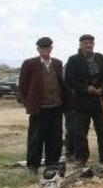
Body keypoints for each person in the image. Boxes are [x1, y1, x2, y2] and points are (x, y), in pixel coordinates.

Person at [18, 37, 69, 175]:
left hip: (56, 107)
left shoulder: (58, 63)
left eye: (47, 48)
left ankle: (52, 164)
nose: (44, 50)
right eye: (42, 48)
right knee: (36, 138)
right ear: (38, 49)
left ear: (51, 49)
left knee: (55, 138)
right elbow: (22, 86)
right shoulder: (29, 64)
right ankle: (33, 166)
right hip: (39, 109)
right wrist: (26, 103)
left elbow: (62, 84)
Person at [65, 34, 103, 167]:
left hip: (99, 100)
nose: (88, 45)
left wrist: (102, 88)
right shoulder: (74, 60)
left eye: (90, 43)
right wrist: (86, 88)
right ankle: (81, 158)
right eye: (85, 43)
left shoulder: (101, 58)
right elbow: (69, 80)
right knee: (80, 131)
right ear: (80, 45)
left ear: (93, 44)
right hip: (81, 101)